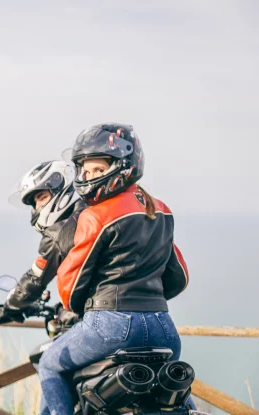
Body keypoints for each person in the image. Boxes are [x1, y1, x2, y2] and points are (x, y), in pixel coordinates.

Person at [37, 123, 190, 414]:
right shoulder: (160, 210)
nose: (89, 176)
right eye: (86, 170)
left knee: (49, 365)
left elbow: (71, 283)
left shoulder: (96, 215)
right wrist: (149, 300)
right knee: (172, 392)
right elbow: (179, 277)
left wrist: (88, 308)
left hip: (111, 324)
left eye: (97, 169)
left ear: (122, 166)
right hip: (164, 327)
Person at [4, 160, 85, 313]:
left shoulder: (59, 232)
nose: (38, 207)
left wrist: (11, 304)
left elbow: (34, 280)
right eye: (35, 203)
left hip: (102, 314)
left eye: (42, 198)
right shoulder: (87, 213)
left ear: (61, 189)